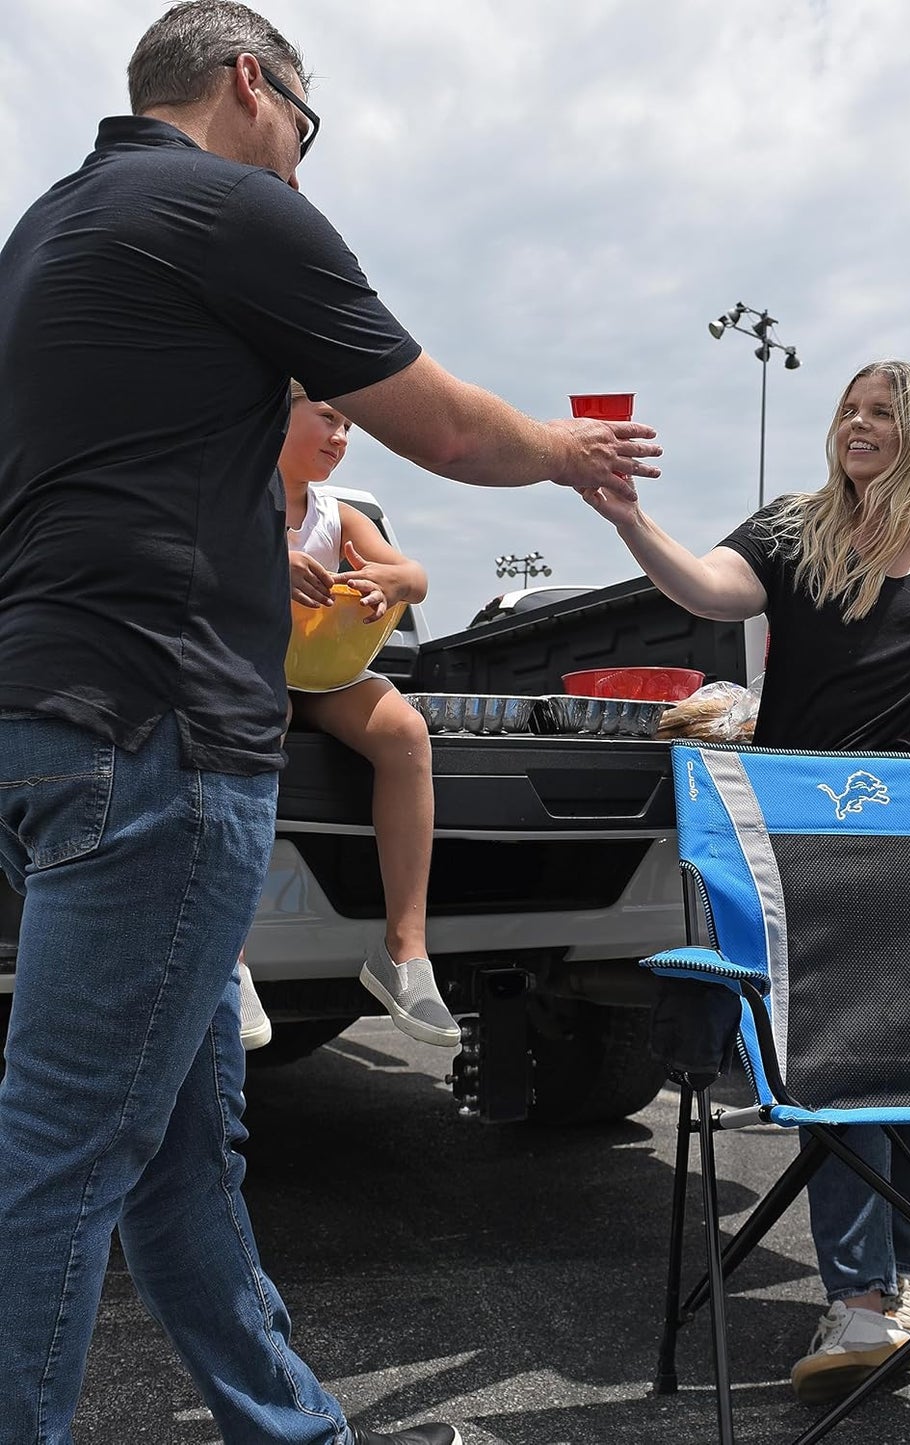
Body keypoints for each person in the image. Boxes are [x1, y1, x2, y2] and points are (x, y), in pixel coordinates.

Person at [0, 4, 660, 1442]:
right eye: (307, 121)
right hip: (163, 730)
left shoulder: (47, 230)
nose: (304, 154)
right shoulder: (230, 206)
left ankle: (294, 1428)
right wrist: (568, 449)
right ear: (252, 83)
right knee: (63, 1151)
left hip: (50, 715)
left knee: (181, 1147)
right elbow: (447, 427)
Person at [581, 358, 910, 1403]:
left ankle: (909, 1281)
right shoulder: (794, 528)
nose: (856, 424)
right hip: (808, 832)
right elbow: (707, 587)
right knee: (839, 1061)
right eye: (847, 409)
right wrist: (627, 519)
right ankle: (857, 1292)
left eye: (881, 412)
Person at [237, 383, 459, 1053]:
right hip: (251, 665)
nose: (340, 437)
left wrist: (392, 582)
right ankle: (229, 956)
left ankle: (404, 952)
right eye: (328, 419)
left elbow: (416, 576)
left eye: (349, 428)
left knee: (406, 732)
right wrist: (267, 561)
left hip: (325, 669)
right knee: (262, 712)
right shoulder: (234, 496)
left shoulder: (339, 513)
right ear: (276, 414)